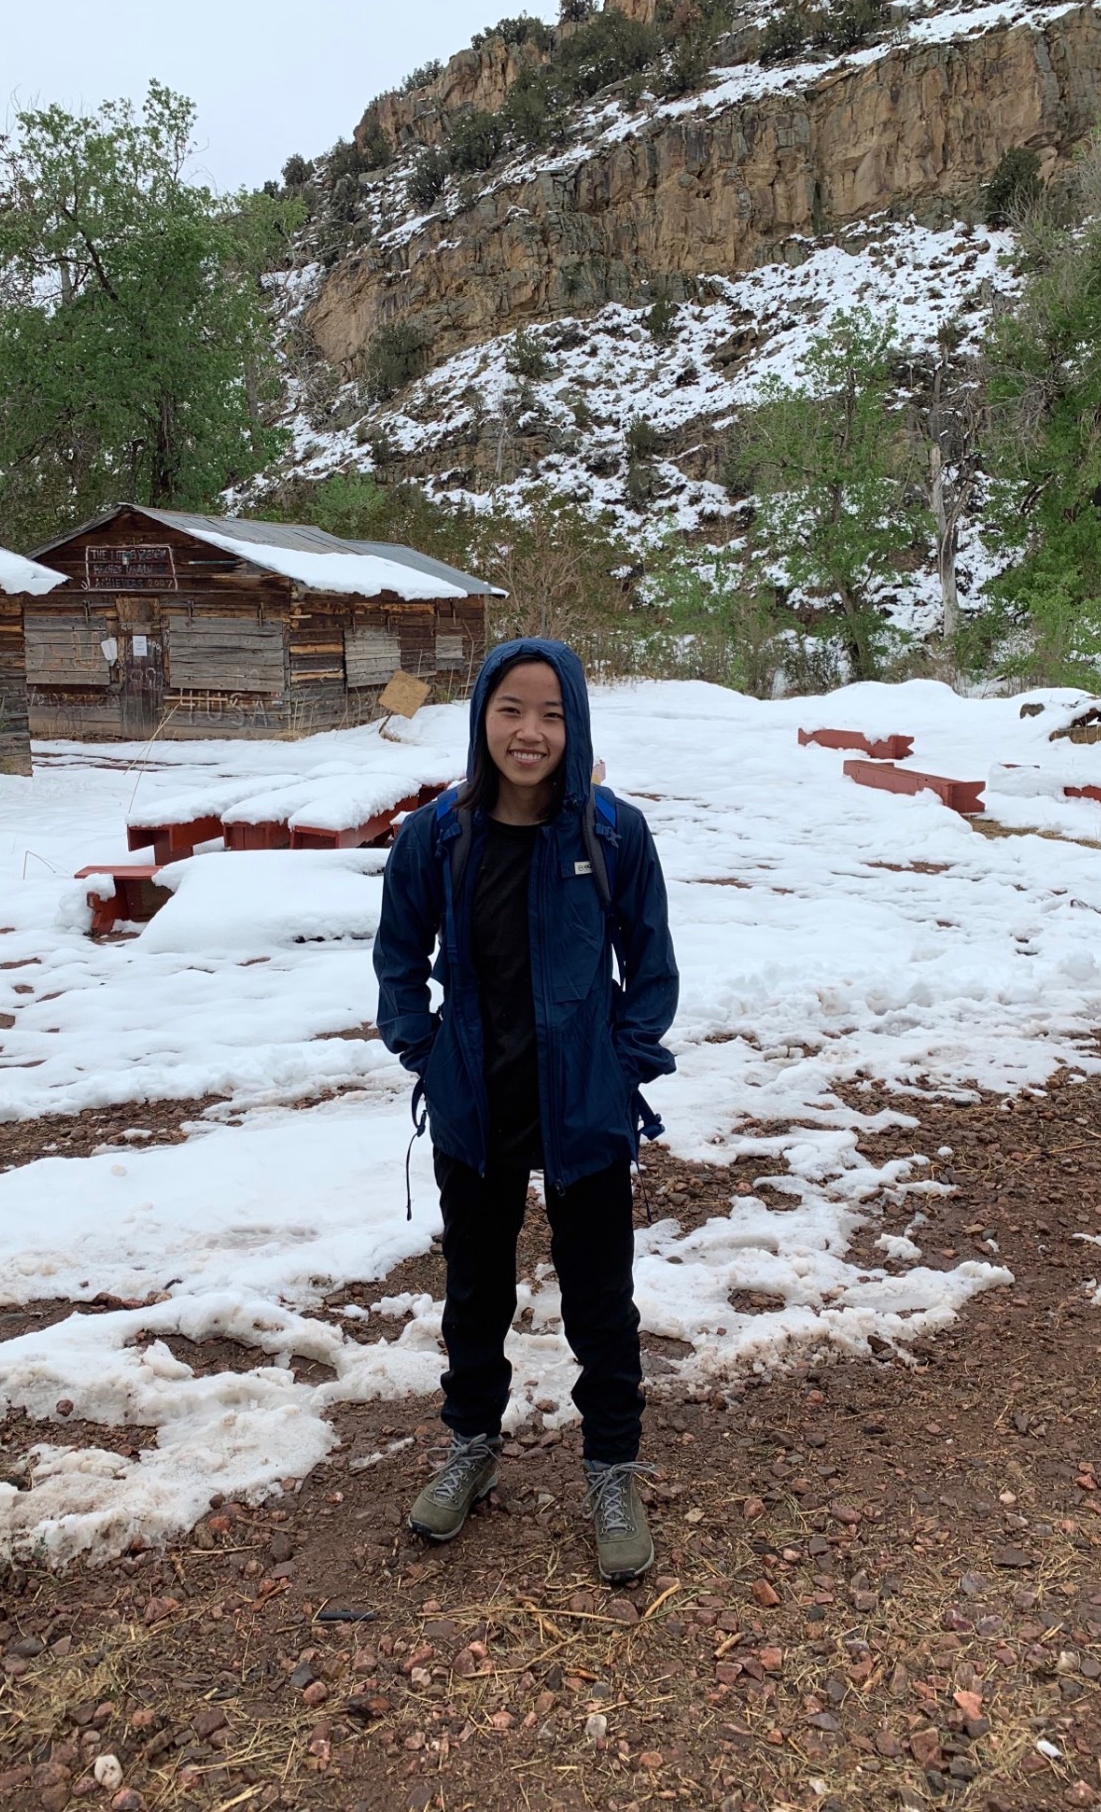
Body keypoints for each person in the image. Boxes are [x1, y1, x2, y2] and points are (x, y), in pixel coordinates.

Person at [373, 637, 679, 1581]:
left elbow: (652, 969)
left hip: (582, 1107)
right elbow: (398, 960)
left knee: (599, 1296)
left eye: (551, 713)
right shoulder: (438, 836)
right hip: (476, 1105)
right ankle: (471, 1445)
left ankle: (612, 1467)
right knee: (475, 1289)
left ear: (576, 722)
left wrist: (619, 1066)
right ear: (481, 717)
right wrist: (426, 1049)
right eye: (512, 709)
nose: (531, 731)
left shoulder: (612, 835)